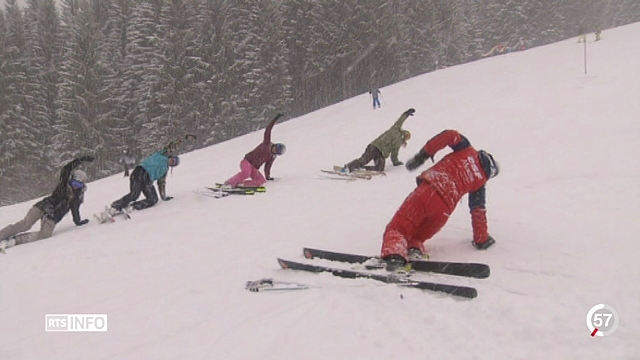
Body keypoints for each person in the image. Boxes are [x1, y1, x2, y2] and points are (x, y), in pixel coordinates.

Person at [380, 130, 500, 270]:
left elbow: (449, 135)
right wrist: (482, 240)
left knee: (398, 228)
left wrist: (423, 155)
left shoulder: (467, 149)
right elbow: (478, 212)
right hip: (442, 212)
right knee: (417, 236)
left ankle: (395, 258)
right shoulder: (479, 184)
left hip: (428, 192)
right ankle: (415, 250)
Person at [0, 156, 94, 249]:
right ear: (71, 180)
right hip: (43, 206)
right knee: (25, 224)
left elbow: (75, 209)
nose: (76, 186)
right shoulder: (63, 185)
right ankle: (2, 235)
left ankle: (16, 240)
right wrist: (80, 160)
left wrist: (78, 221)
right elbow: (66, 169)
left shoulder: (77, 197)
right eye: (74, 183)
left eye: (79, 184)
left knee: (45, 234)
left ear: (82, 185)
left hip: (53, 216)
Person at [340, 108, 414, 173]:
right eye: (406, 134)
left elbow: (394, 153)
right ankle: (348, 167)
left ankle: (362, 169)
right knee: (363, 160)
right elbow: (400, 120)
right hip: (375, 147)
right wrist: (406, 113)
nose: (405, 135)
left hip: (381, 154)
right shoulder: (396, 128)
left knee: (379, 168)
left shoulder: (399, 143)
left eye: (407, 136)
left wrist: (396, 162)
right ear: (404, 131)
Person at [223, 113, 285, 188]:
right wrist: (275, 119)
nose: (275, 149)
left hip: (254, 168)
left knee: (262, 181)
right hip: (246, 162)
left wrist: (268, 176)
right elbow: (268, 129)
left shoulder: (271, 157)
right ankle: (229, 183)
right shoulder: (267, 143)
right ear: (275, 145)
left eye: (277, 150)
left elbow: (267, 167)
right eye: (276, 147)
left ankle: (242, 184)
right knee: (246, 173)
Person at [107, 150, 180, 215]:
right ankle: (115, 207)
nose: (171, 162)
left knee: (153, 199)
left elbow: (161, 184)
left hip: (148, 180)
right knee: (134, 194)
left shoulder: (164, 171)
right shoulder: (161, 155)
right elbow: (170, 146)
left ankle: (133, 207)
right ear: (171, 157)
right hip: (140, 171)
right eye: (172, 159)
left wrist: (164, 197)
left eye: (173, 163)